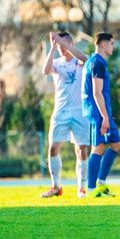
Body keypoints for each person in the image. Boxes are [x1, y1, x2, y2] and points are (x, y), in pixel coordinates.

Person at [41, 31, 89, 198]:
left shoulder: (79, 61)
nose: (62, 48)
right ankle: (56, 186)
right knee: (53, 148)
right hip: (61, 111)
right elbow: (45, 70)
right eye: (59, 46)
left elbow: (86, 59)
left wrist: (65, 44)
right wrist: (53, 47)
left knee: (81, 149)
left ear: (71, 44)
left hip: (79, 111)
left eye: (64, 44)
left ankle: (82, 188)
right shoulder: (56, 63)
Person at [82, 32, 120, 197]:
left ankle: (101, 183)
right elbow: (97, 92)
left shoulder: (94, 61)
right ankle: (91, 189)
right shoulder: (97, 63)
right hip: (98, 113)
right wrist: (104, 116)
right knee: (98, 148)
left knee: (116, 144)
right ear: (104, 44)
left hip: (103, 111)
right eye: (111, 43)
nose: (113, 47)